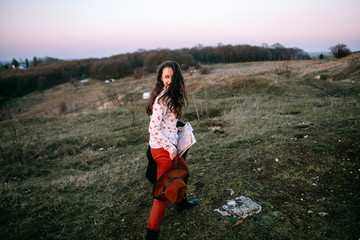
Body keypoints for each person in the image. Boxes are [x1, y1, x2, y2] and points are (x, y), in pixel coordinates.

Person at [145, 61, 197, 240]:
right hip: (164, 151)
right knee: (162, 195)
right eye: (166, 77)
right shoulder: (162, 100)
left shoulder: (171, 96)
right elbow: (153, 128)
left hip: (170, 147)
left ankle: (181, 202)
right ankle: (152, 234)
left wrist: (178, 129)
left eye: (172, 77)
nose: (169, 81)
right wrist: (169, 147)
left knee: (183, 171)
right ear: (161, 78)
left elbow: (166, 123)